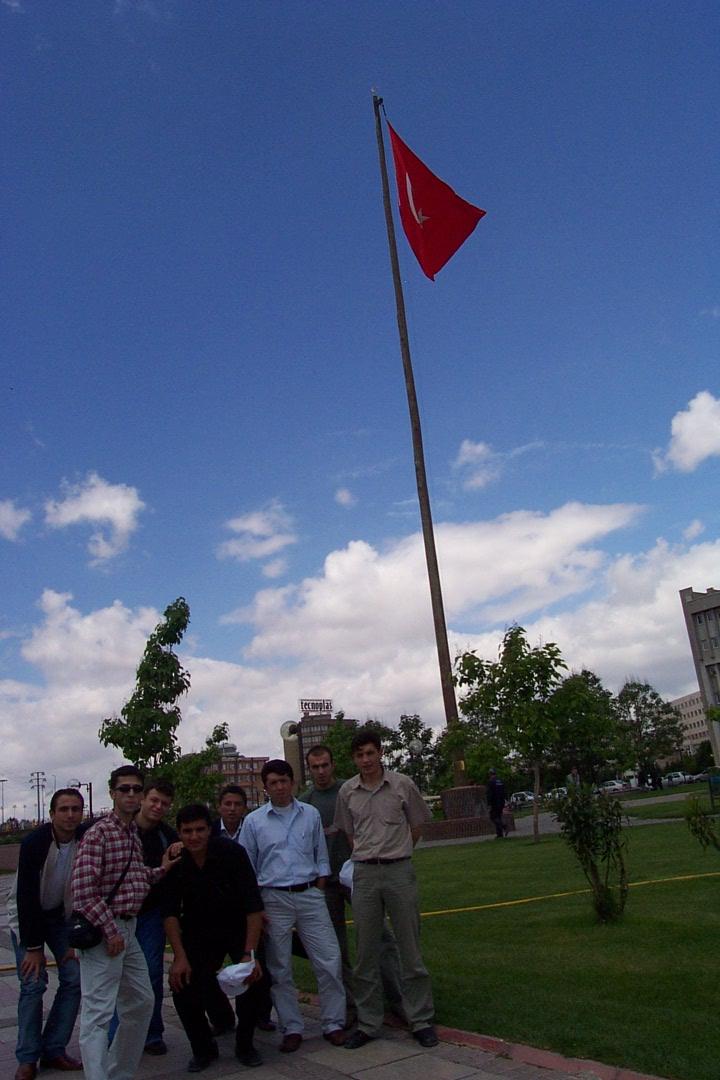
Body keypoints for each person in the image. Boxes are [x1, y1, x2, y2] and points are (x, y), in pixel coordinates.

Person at [70, 765, 178, 1080]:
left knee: (142, 1002)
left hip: (129, 928)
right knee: (98, 1013)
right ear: (112, 793)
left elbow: (133, 879)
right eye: (124, 789)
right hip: (105, 932)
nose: (131, 794)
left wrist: (161, 870)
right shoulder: (98, 833)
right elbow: (83, 892)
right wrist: (110, 930)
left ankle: (118, 1071)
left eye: (136, 789)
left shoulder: (131, 833)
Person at [334, 728, 438, 1050]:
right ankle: (368, 1023)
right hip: (365, 874)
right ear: (354, 759)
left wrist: (398, 851)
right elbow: (350, 833)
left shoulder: (402, 784)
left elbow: (417, 825)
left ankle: (420, 1020)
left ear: (380, 753)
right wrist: (369, 854)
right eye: (359, 755)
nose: (366, 760)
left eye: (370, 753)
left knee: (410, 948)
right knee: (366, 951)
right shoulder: (347, 792)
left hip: (398, 871)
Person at [241, 759, 345, 1052]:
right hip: (274, 898)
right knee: (280, 967)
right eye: (273, 783)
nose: (279, 787)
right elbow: (248, 866)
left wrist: (319, 885)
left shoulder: (310, 814)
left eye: (284, 781)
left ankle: (333, 1023)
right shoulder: (254, 822)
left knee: (329, 959)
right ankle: (292, 1027)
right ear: (265, 787)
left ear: (293, 782)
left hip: (309, 893)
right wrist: (258, 906)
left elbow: (320, 854)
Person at [298, 743, 404, 1028]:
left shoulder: (349, 791)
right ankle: (351, 1005)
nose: (321, 771)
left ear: (333, 765)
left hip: (359, 875)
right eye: (315, 767)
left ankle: (399, 999)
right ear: (309, 770)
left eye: (325, 765)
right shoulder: (305, 803)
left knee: (381, 938)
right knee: (335, 947)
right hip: (325, 883)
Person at [162, 803, 265, 1072]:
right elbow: (170, 913)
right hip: (198, 930)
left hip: (237, 926)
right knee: (182, 984)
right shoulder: (177, 861)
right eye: (187, 831)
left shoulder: (233, 853)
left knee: (252, 978)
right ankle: (203, 1048)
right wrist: (179, 957)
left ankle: (246, 1045)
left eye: (200, 830)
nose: (194, 836)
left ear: (210, 830)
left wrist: (250, 954)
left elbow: (253, 906)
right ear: (179, 833)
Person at [8, 788, 85, 1080]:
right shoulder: (35, 843)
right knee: (33, 983)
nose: (70, 815)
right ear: (52, 814)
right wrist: (33, 948)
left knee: (74, 978)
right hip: (27, 916)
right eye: (63, 809)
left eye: (76, 809)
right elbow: (26, 896)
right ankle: (27, 1058)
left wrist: (75, 940)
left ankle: (54, 1048)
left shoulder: (85, 838)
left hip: (61, 916)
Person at [108, 778, 178, 1055]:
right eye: (154, 800)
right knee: (116, 977)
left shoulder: (167, 837)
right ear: (143, 799)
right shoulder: (122, 830)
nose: (158, 807)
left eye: (164, 803)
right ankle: (116, 1037)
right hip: (118, 914)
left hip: (150, 915)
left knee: (151, 973)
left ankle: (151, 1033)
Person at [210, 785, 275, 1033]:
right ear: (219, 806)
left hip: (248, 908)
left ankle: (261, 1015)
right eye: (227, 804)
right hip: (217, 911)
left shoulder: (254, 829)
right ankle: (222, 1018)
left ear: (244, 808)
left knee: (258, 963)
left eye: (237, 804)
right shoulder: (209, 833)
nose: (232, 809)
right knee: (206, 967)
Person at [486, 768, 508, 839]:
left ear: (490, 774)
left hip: (494, 802)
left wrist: (489, 803)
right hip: (501, 801)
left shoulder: (491, 782)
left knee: (493, 817)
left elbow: (489, 794)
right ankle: (499, 834)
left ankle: (504, 826)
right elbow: (504, 791)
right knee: (498, 816)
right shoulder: (501, 781)